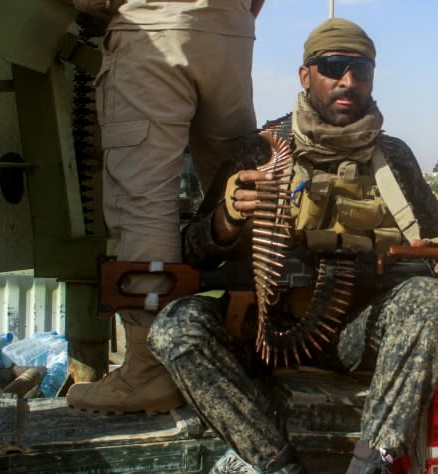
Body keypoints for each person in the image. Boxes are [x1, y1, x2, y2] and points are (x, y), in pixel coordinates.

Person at [146, 18, 438, 473]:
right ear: (306, 76)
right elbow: (193, 253)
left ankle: (371, 463)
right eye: (333, 67)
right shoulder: (261, 150)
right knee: (175, 327)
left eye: (361, 70)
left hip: (356, 331)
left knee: (430, 299)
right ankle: (275, 464)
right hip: (269, 331)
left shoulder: (394, 156)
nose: (348, 81)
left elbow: (435, 238)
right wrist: (227, 219)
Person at [66, 1, 266, 415]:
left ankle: (148, 370)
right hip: (232, 32)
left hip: (152, 27)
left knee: (143, 202)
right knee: (238, 188)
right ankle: (253, 337)